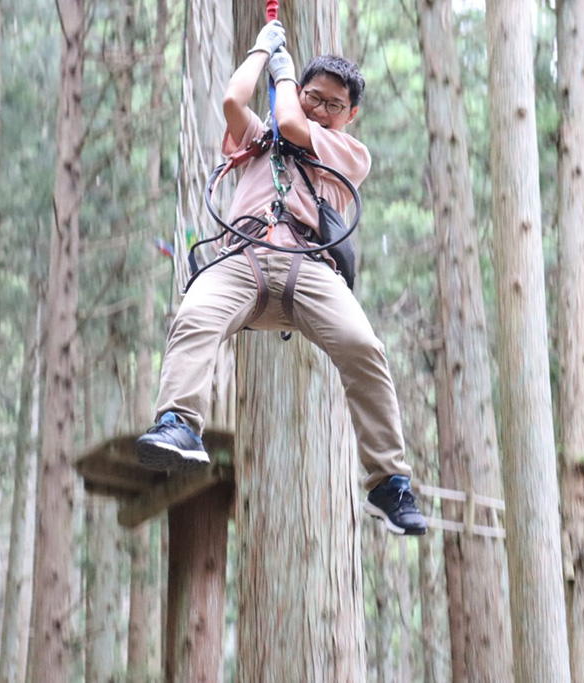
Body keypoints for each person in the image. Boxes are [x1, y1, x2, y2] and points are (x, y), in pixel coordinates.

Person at [136, 21, 427, 536]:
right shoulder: (258, 139)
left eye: (333, 104)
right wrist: (260, 51)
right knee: (195, 314)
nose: (320, 108)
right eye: (314, 96)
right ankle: (179, 423)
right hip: (243, 256)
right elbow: (232, 99)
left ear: (350, 114)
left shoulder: (347, 153)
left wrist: (286, 76)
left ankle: (389, 481)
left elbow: (292, 121)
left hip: (310, 267)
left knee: (364, 347)